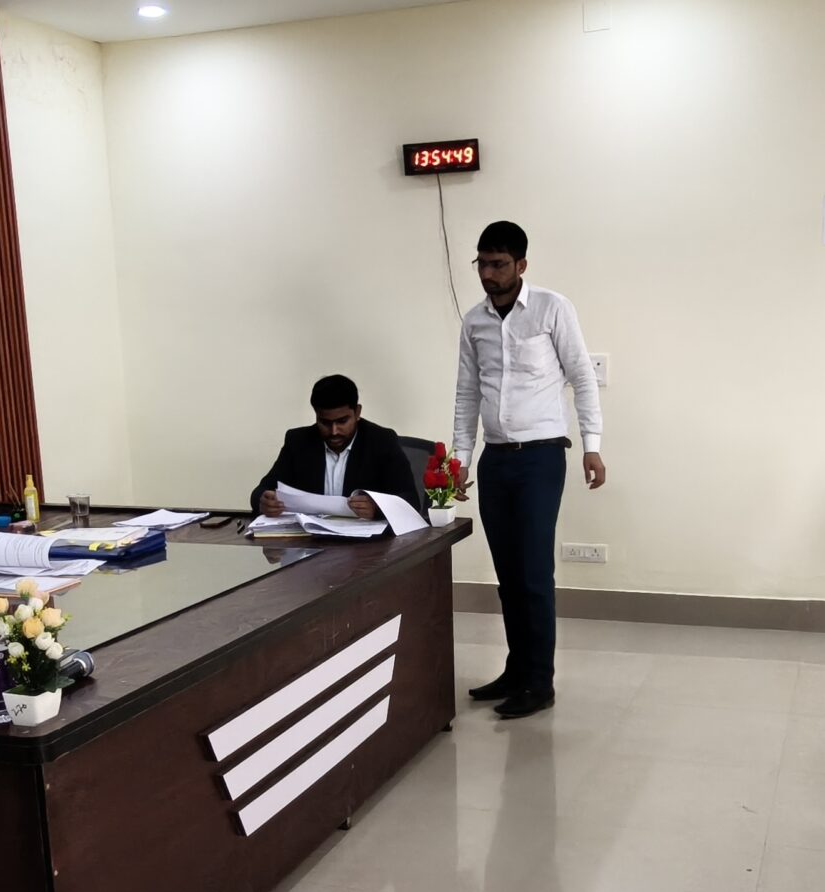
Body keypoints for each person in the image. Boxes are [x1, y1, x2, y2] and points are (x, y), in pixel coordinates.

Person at [449, 220, 604, 720]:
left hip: (541, 457)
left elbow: (582, 377)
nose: (487, 274)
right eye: (482, 264)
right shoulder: (474, 322)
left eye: (498, 264)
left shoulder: (551, 309)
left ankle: (540, 681)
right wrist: (460, 459)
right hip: (496, 461)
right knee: (508, 574)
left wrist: (592, 446)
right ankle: (516, 670)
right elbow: (467, 393)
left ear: (521, 265)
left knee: (534, 572)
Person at [251, 374, 427, 521]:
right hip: (311, 542)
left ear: (357, 412)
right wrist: (264, 501)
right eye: (325, 423)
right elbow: (261, 490)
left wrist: (377, 508)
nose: (334, 431)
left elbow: (411, 501)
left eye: (342, 421)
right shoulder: (298, 441)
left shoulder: (381, 440)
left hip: (366, 545)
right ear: (316, 415)